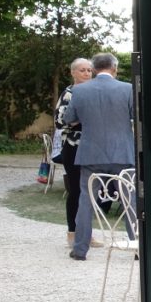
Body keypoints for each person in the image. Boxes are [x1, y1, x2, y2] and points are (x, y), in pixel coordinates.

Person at [63, 53, 136, 262]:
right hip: (122, 152)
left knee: (86, 200)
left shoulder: (79, 90)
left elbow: (69, 118)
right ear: (115, 68)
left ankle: (80, 250)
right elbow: (135, 115)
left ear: (93, 69)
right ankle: (137, 246)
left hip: (91, 153)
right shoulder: (128, 89)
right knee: (129, 200)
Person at [54, 58, 95, 248]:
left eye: (89, 70)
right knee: (77, 190)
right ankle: (72, 232)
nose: (87, 73)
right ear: (73, 73)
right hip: (73, 146)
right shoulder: (69, 94)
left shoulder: (94, 92)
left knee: (91, 191)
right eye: (82, 70)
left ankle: (87, 233)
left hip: (94, 146)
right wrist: (84, 118)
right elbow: (59, 121)